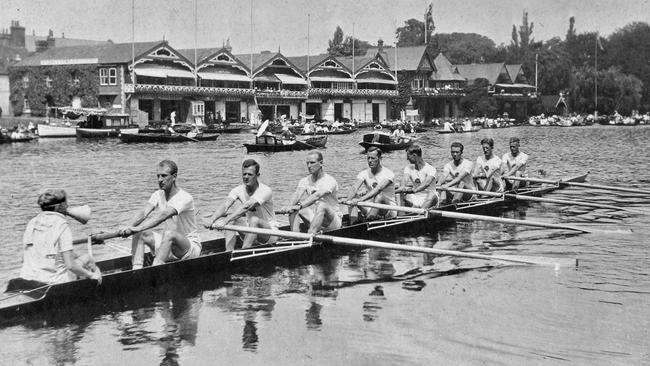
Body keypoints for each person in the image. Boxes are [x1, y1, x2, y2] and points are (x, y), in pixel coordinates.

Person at [119, 160, 201, 269]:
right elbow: (143, 213)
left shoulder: (185, 198)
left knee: (169, 234)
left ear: (174, 176)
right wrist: (129, 227)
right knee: (140, 234)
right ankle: (136, 271)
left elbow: (163, 216)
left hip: (189, 248)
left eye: (164, 176)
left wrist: (137, 228)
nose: (160, 180)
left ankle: (156, 270)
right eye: (158, 176)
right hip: (168, 246)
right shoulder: (158, 194)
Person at [20, 189, 102, 285]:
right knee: (89, 259)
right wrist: (91, 275)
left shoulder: (32, 222)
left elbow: (24, 257)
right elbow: (70, 265)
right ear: (60, 206)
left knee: (83, 258)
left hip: (27, 279)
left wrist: (75, 256)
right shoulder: (62, 225)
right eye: (66, 203)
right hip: (54, 281)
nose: (67, 206)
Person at [206, 159, 278, 251]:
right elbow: (225, 205)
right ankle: (228, 253)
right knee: (233, 220)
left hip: (269, 234)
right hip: (251, 231)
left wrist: (225, 221)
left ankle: (243, 252)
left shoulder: (265, 190)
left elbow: (247, 206)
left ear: (257, 175)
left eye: (250, 174)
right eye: (244, 174)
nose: (246, 177)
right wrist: (212, 219)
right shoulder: (237, 190)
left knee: (253, 220)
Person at [283, 152, 342, 234]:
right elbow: (297, 194)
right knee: (294, 208)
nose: (309, 166)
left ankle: (310, 235)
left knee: (321, 205)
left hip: (333, 222)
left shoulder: (330, 180)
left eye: (312, 163)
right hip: (316, 218)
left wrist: (299, 206)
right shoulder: (304, 180)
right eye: (307, 163)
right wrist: (290, 206)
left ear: (321, 163)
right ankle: (295, 236)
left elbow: (317, 196)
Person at [345, 147, 396, 221]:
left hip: (388, 210)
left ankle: (368, 221)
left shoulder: (389, 174)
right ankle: (353, 225)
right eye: (368, 158)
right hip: (371, 207)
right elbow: (354, 188)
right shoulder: (364, 173)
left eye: (373, 158)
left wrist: (360, 199)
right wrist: (349, 200)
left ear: (380, 158)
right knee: (352, 192)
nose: (370, 161)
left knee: (379, 197)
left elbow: (378, 189)